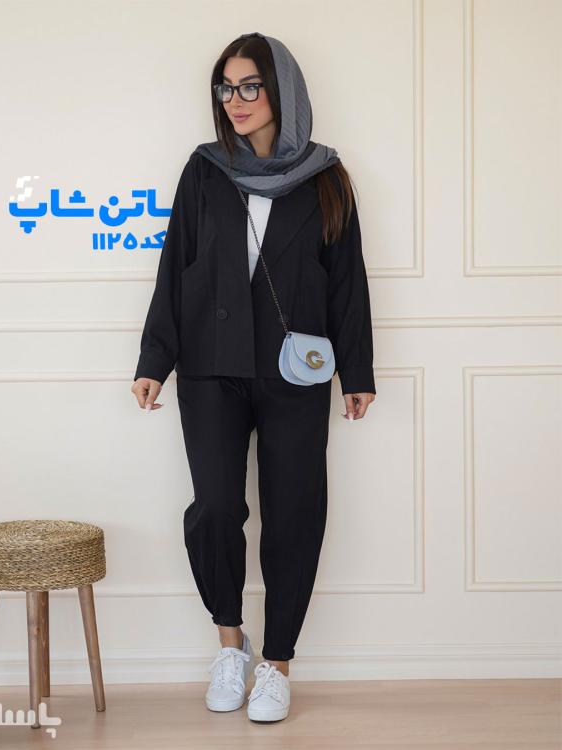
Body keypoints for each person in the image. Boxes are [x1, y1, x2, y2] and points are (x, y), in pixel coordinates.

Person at [131, 31, 376, 723]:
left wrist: (357, 370)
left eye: (249, 86)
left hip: (296, 368)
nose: (234, 100)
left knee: (295, 512)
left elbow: (347, 282)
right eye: (226, 87)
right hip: (211, 365)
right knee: (215, 508)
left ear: (282, 90)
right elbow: (176, 265)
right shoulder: (205, 170)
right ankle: (230, 643)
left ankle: (278, 663)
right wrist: (155, 360)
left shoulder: (326, 176)